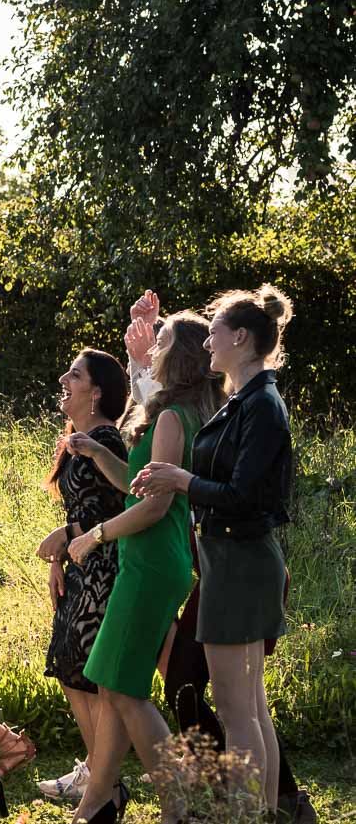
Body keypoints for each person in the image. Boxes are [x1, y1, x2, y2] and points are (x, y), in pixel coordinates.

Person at [135, 285, 296, 816]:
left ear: (242, 338)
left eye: (215, 332)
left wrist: (180, 479)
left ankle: (250, 815)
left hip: (240, 562)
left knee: (236, 709)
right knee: (250, 708)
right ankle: (265, 814)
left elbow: (244, 495)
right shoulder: (243, 401)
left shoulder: (261, 406)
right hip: (230, 562)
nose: (207, 342)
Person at [62, 310, 219, 824]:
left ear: (182, 356)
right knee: (113, 684)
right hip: (146, 560)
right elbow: (138, 483)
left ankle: (180, 807)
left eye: (164, 340)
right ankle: (99, 801)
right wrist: (93, 453)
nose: (156, 347)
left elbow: (155, 505)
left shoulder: (175, 417)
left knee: (125, 691)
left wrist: (95, 535)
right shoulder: (173, 411)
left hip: (153, 562)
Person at [35, 350, 129, 804]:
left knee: (86, 673)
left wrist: (67, 534)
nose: (62, 378)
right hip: (80, 569)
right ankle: (98, 776)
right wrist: (58, 557)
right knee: (72, 669)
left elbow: (118, 505)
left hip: (105, 573)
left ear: (97, 391)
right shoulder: (78, 438)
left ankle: (103, 782)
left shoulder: (107, 438)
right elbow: (79, 509)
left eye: (74, 374)